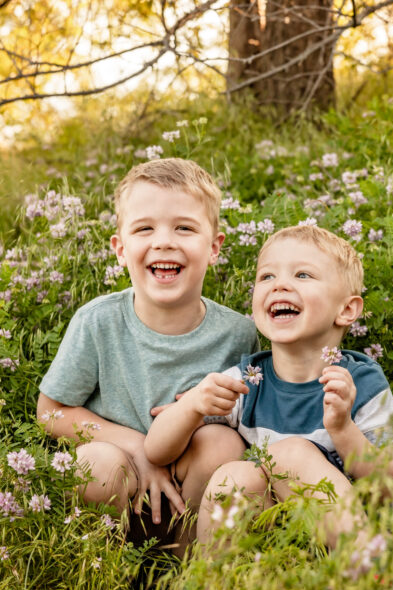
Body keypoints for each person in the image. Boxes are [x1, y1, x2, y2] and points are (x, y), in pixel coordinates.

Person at [37, 158, 259, 552]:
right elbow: (51, 412)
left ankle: (185, 577)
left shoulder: (238, 333)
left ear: (214, 248)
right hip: (122, 486)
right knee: (95, 464)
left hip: (190, 499)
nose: (164, 241)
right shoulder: (98, 322)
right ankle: (107, 578)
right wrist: (140, 449)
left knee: (223, 445)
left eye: (185, 228)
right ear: (120, 249)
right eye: (145, 229)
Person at [145, 224, 393, 549]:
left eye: (303, 275)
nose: (280, 285)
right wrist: (193, 403)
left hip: (336, 535)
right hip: (269, 541)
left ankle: (368, 563)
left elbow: (388, 484)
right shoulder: (249, 379)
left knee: (291, 454)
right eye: (266, 277)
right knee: (232, 479)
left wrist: (342, 428)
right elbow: (155, 450)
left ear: (347, 309)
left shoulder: (360, 382)